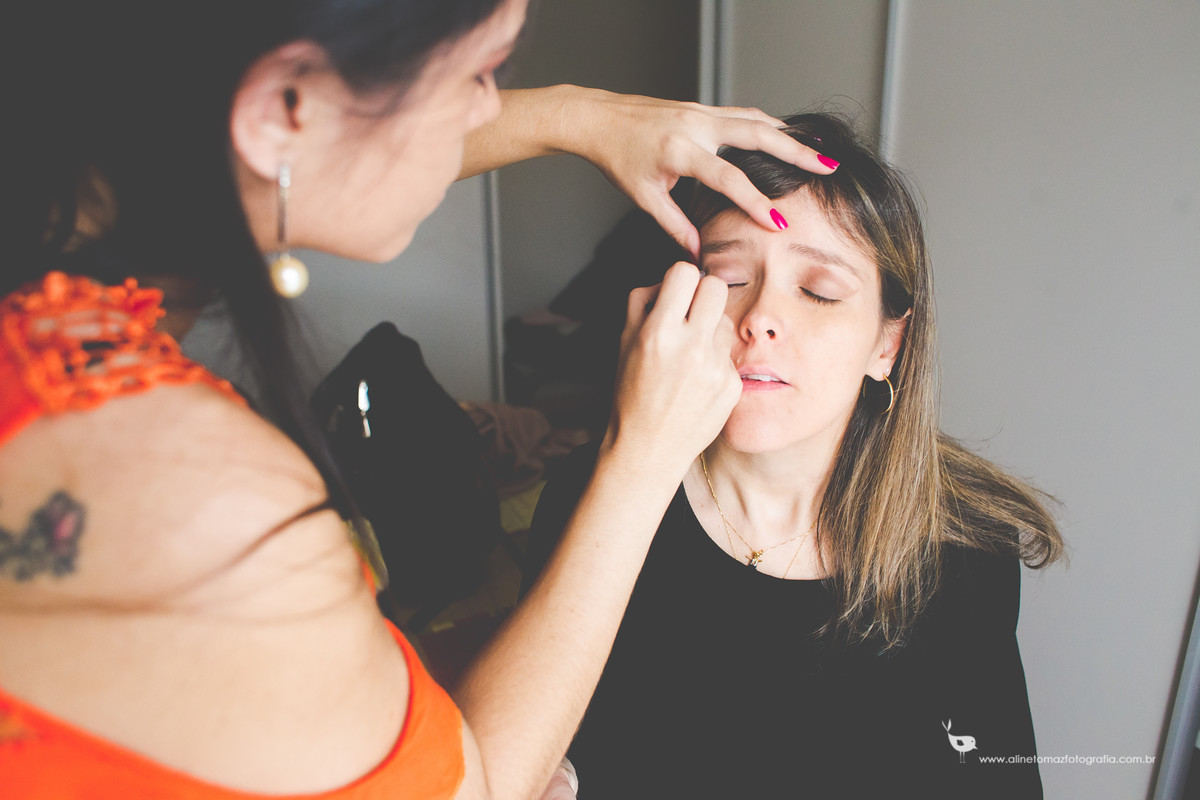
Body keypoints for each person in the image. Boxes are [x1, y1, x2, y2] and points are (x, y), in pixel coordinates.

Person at [0, 2, 841, 798]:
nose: (489, 111)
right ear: (284, 108)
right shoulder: (200, 500)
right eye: (478, 73)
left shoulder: (70, 261)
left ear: (891, 341)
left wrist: (582, 118)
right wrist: (641, 457)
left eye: (822, 292)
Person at [524, 113, 1065, 798]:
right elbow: (547, 744)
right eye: (727, 277)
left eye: (818, 291)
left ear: (887, 346)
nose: (759, 318)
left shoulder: (964, 552)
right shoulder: (589, 501)